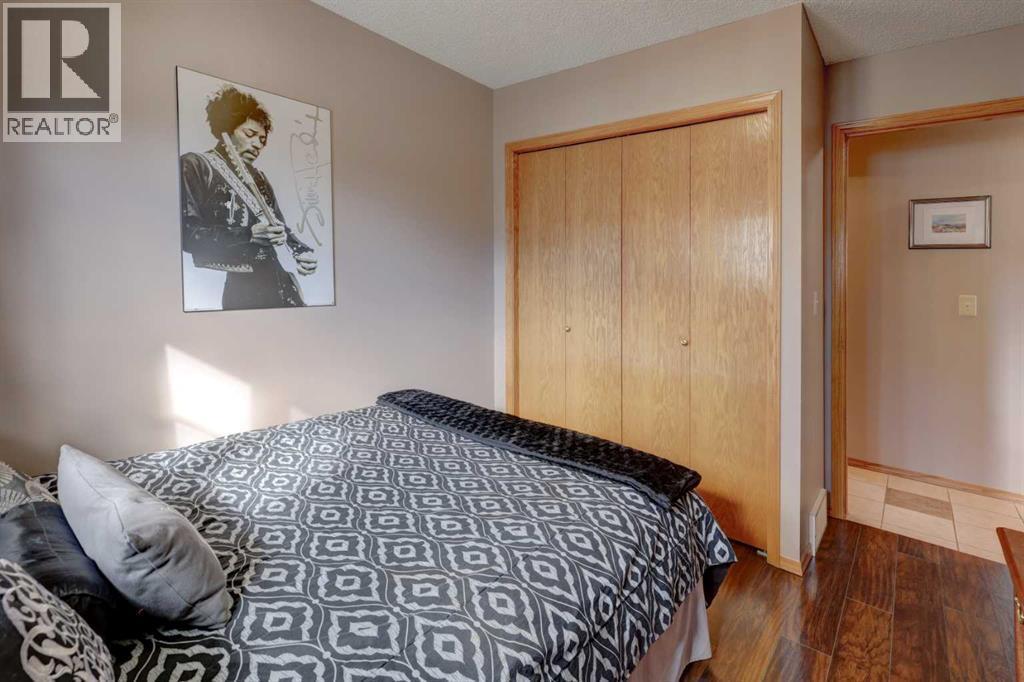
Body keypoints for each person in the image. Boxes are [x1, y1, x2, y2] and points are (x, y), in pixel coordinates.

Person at [180, 85, 318, 310]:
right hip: (239, 290)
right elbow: (186, 234)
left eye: (262, 139)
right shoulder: (196, 165)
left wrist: (302, 252)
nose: (257, 144)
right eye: (250, 134)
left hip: (280, 283)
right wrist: (248, 235)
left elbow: (281, 228)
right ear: (227, 130)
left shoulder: (259, 177)